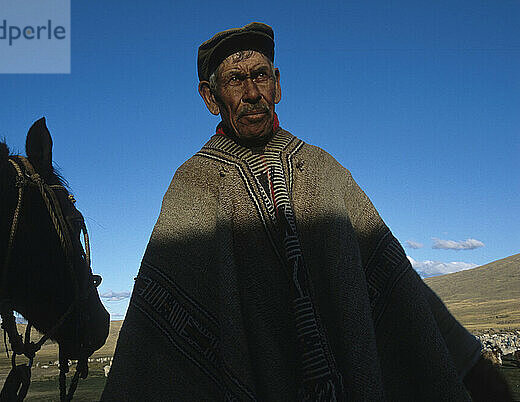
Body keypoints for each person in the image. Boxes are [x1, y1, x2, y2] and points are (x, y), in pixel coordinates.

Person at [102, 22, 512, 401]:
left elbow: (397, 285)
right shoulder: (194, 186)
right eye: (235, 80)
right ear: (210, 97)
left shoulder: (325, 171)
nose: (251, 92)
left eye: (260, 75)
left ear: (277, 85)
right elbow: (156, 336)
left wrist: (474, 370)